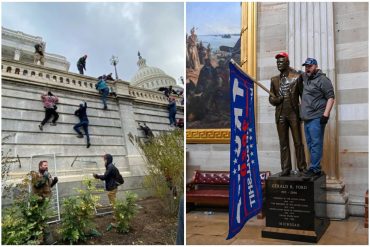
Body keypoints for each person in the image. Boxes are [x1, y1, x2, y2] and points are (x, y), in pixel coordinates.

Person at [269, 52, 307, 176]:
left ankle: (302, 167)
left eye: (281, 62)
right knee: (283, 143)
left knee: (298, 142)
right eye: (277, 62)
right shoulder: (274, 80)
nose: (278, 64)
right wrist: (276, 100)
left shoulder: (296, 77)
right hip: (280, 115)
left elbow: (303, 98)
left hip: (293, 114)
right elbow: (271, 98)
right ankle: (286, 168)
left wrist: (303, 114)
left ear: (287, 63)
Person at [300, 58, 335, 177]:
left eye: (309, 66)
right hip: (307, 118)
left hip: (317, 117)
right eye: (306, 66)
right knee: (310, 143)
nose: (307, 69)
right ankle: (316, 167)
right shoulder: (306, 77)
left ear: (315, 66)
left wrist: (325, 115)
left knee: (316, 143)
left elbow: (331, 97)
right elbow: (294, 72)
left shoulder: (323, 80)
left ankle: (314, 168)